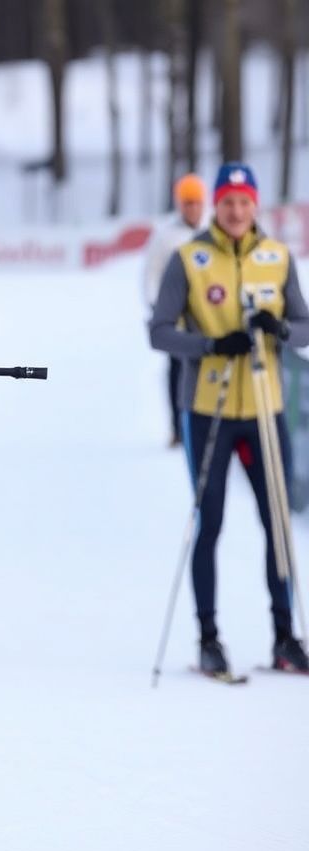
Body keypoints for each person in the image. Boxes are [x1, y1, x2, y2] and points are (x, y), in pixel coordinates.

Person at [149, 161, 309, 678]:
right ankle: (208, 638)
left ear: (255, 205)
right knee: (210, 522)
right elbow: (158, 332)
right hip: (208, 410)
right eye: (227, 202)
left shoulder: (277, 257)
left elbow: (305, 328)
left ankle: (285, 637)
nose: (236, 211)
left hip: (265, 407)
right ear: (215, 206)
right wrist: (211, 345)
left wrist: (279, 328)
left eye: (244, 202)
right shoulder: (189, 258)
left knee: (277, 523)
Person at [142, 173, 208, 446]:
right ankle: (179, 427)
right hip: (178, 319)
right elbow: (151, 275)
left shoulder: (212, 233)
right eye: (187, 203)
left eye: (196, 203)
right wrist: (160, 309)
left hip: (207, 317)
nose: (192, 209)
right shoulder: (166, 237)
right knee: (178, 372)